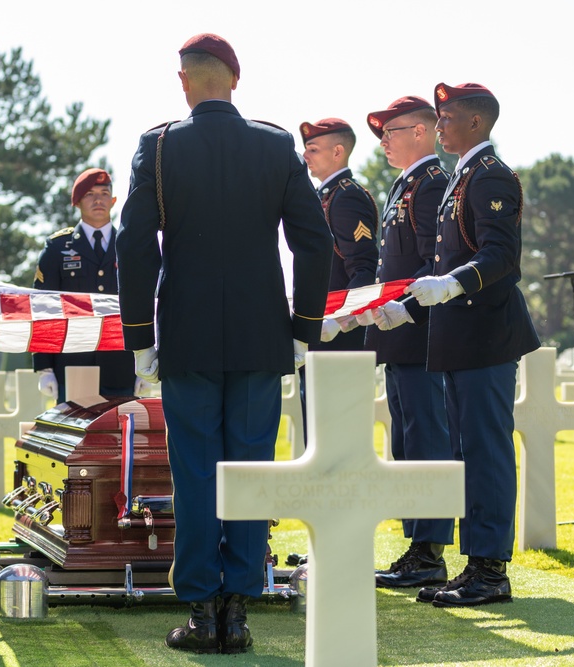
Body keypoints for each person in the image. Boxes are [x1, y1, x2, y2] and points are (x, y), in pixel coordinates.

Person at [116, 33, 333, 654]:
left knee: (195, 471)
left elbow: (135, 245)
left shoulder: (157, 148)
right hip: (261, 336)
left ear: (184, 81)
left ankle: (202, 610)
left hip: (185, 336)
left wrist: (140, 339)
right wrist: (303, 331)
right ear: (234, 80)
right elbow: (313, 243)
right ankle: (238, 610)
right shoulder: (273, 144)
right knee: (249, 469)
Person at [369, 82, 540, 607]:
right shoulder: (463, 176)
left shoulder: (491, 176)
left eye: (447, 118)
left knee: (485, 453)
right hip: (459, 338)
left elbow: (500, 257)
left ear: (476, 123)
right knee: (465, 453)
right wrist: (411, 305)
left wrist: (452, 284)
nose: (439, 126)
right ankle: (474, 565)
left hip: (485, 336)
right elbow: (440, 264)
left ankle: (491, 572)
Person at [362, 97, 455, 589]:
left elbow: (432, 266)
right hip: (397, 339)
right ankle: (417, 545)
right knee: (406, 442)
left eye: (391, 131)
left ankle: (430, 551)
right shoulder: (407, 184)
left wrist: (406, 309)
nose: (384, 141)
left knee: (426, 443)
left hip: (419, 336)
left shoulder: (433, 184)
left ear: (421, 132)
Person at [297, 117, 378, 444]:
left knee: (337, 440)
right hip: (319, 336)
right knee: (318, 437)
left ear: (338, 151)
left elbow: (363, 268)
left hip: (338, 340)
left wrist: (340, 321)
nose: (306, 156)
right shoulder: (324, 196)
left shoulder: (347, 198)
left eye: (314, 149)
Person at [32, 168, 139, 402]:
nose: (98, 199)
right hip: (72, 363)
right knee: (74, 437)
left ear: (113, 200)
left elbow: (145, 302)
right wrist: (44, 367)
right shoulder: (58, 248)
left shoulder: (130, 246)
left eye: (103, 193)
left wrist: (144, 356)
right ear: (77, 201)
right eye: (90, 194)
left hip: (121, 364)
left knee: (118, 436)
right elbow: (43, 308)